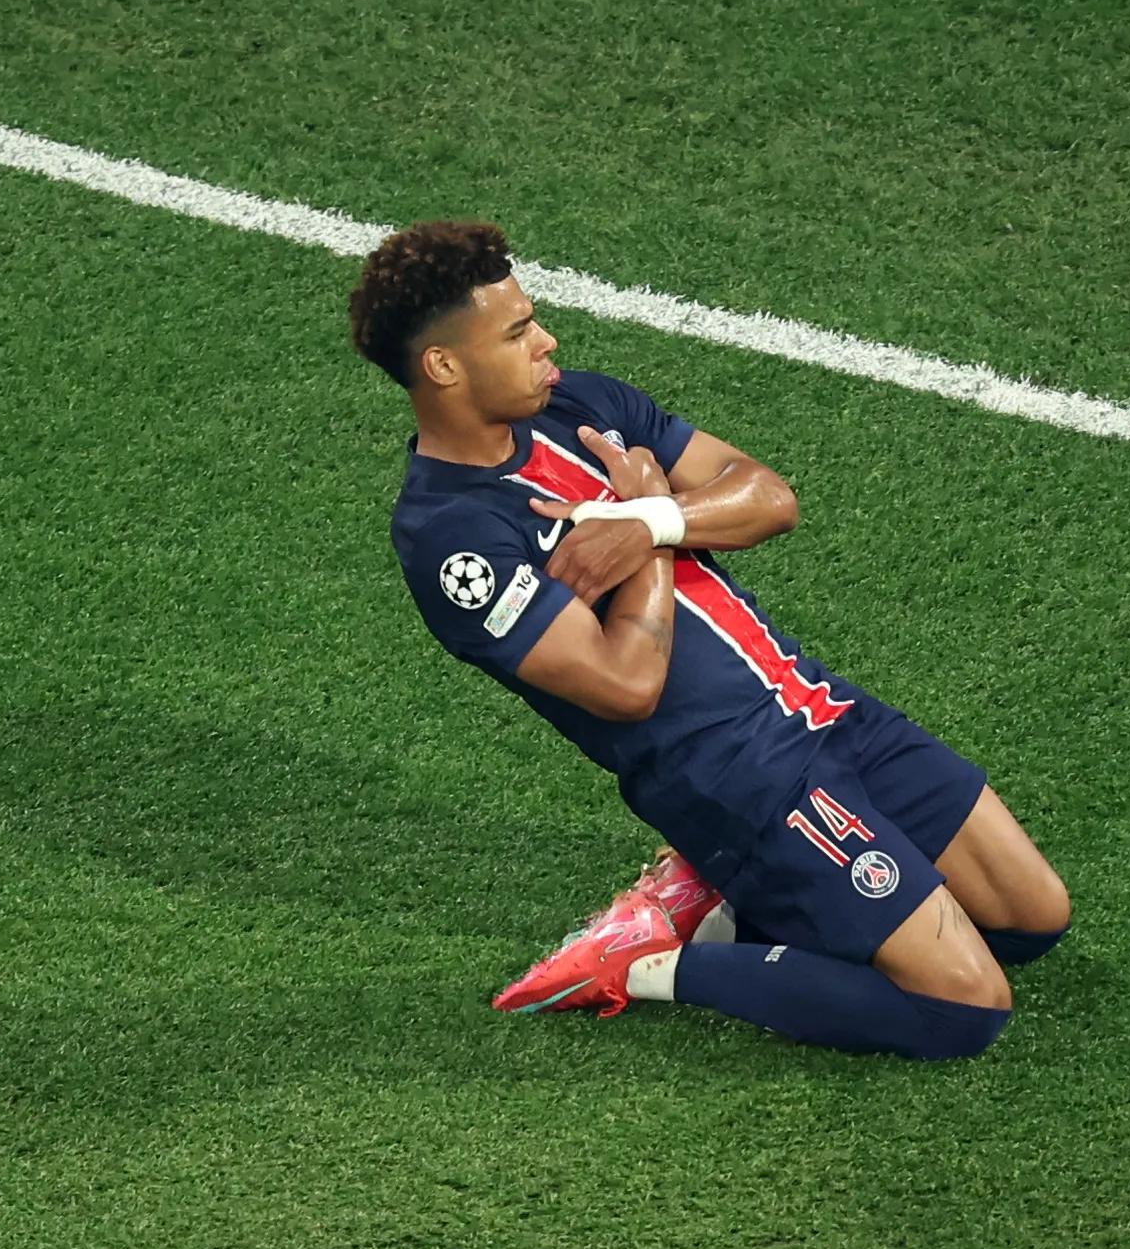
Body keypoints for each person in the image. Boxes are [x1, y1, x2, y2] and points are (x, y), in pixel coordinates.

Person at [354, 220, 1070, 1060]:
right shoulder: (453, 540)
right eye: (516, 333)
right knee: (963, 1007)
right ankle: (652, 961)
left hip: (820, 707)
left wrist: (655, 515)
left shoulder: (579, 405)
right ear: (443, 365)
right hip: (742, 780)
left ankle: (731, 900)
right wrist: (646, 536)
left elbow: (767, 496)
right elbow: (627, 685)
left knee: (1031, 919)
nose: (547, 341)